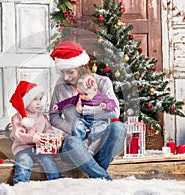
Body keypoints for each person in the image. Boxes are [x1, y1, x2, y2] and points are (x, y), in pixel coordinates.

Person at [49, 40, 127, 180]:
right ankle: (103, 177)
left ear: (82, 66)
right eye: (63, 72)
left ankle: (94, 172)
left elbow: (115, 112)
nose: (66, 77)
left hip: (99, 142)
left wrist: (85, 111)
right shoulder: (61, 86)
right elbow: (53, 115)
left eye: (70, 72)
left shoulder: (102, 82)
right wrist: (71, 128)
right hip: (75, 146)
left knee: (119, 128)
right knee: (72, 142)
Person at [9, 81, 62, 184]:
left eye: (40, 99)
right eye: (34, 99)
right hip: (23, 149)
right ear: (26, 101)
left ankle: (57, 183)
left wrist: (49, 138)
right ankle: (21, 185)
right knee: (24, 161)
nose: (39, 103)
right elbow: (18, 134)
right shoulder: (18, 117)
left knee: (49, 162)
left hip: (41, 149)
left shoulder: (42, 117)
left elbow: (49, 130)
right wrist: (33, 138)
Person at [53, 73, 116, 155]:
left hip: (97, 120)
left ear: (95, 90)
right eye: (80, 94)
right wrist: (58, 106)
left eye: (85, 94)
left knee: (100, 129)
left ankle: (93, 147)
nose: (82, 96)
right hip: (83, 119)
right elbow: (69, 101)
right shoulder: (79, 97)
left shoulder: (101, 97)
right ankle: (81, 142)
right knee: (76, 125)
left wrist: (106, 106)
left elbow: (112, 103)